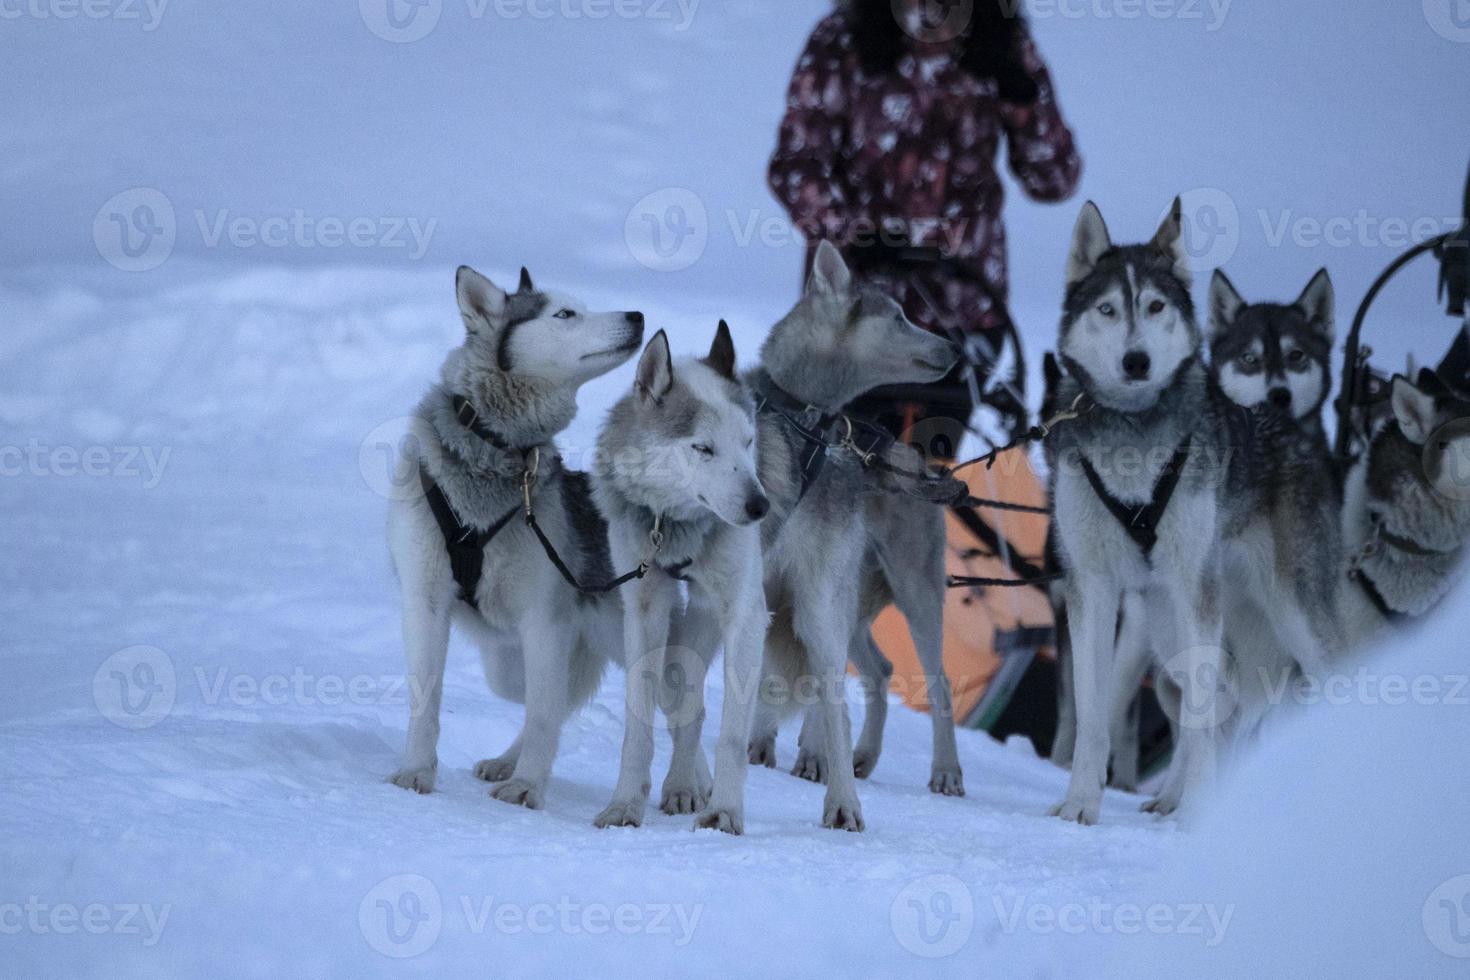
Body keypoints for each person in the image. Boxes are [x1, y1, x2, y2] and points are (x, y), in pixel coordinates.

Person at [768, 0, 1081, 452]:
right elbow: (796, 165)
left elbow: (1055, 180)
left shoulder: (1000, 38)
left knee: (928, 476)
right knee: (845, 470)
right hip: (856, 318)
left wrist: (1023, 98)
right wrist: (852, 234)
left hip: (966, 311)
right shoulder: (844, 38)